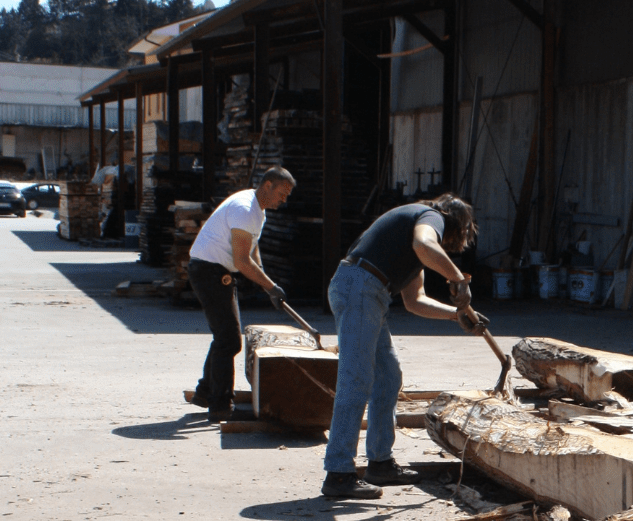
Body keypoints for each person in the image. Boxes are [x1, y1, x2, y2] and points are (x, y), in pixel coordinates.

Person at [320, 194, 489, 500]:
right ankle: (339, 473)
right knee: (356, 379)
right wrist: (458, 280)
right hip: (361, 288)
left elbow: (415, 301)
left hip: (367, 291)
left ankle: (380, 464)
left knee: (387, 378)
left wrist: (456, 314)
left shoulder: (411, 242)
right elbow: (426, 245)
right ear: (453, 223)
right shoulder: (429, 217)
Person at [187, 167, 296, 419]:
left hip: (215, 270)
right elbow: (242, 260)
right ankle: (220, 405)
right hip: (209, 271)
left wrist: (265, 281)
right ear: (267, 185)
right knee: (229, 340)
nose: (284, 200)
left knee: (223, 335)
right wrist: (270, 287)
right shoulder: (245, 209)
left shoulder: (258, 210)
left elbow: (252, 251)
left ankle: (205, 391)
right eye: (282, 193)